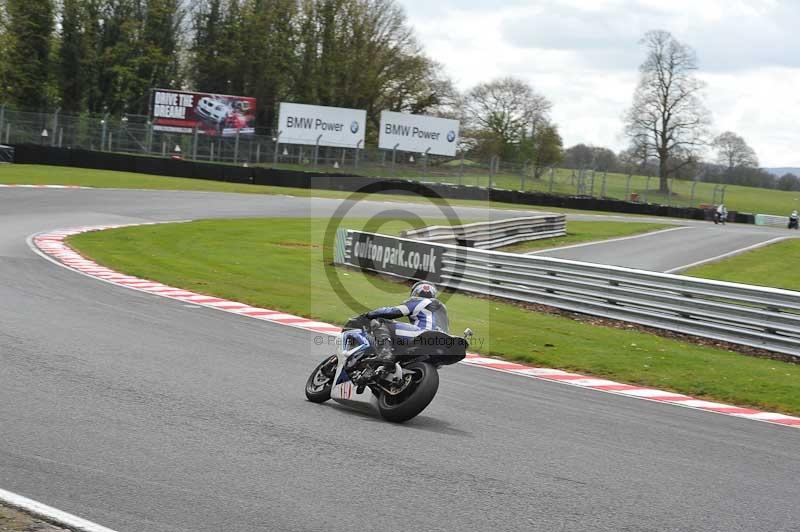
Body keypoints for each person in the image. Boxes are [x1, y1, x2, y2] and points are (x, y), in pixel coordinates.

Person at [361, 281, 449, 365]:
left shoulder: (419, 301)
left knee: (380, 322)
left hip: (423, 335)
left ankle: (385, 354)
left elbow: (393, 311)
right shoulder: (442, 308)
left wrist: (368, 315)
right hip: (443, 342)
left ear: (415, 292)